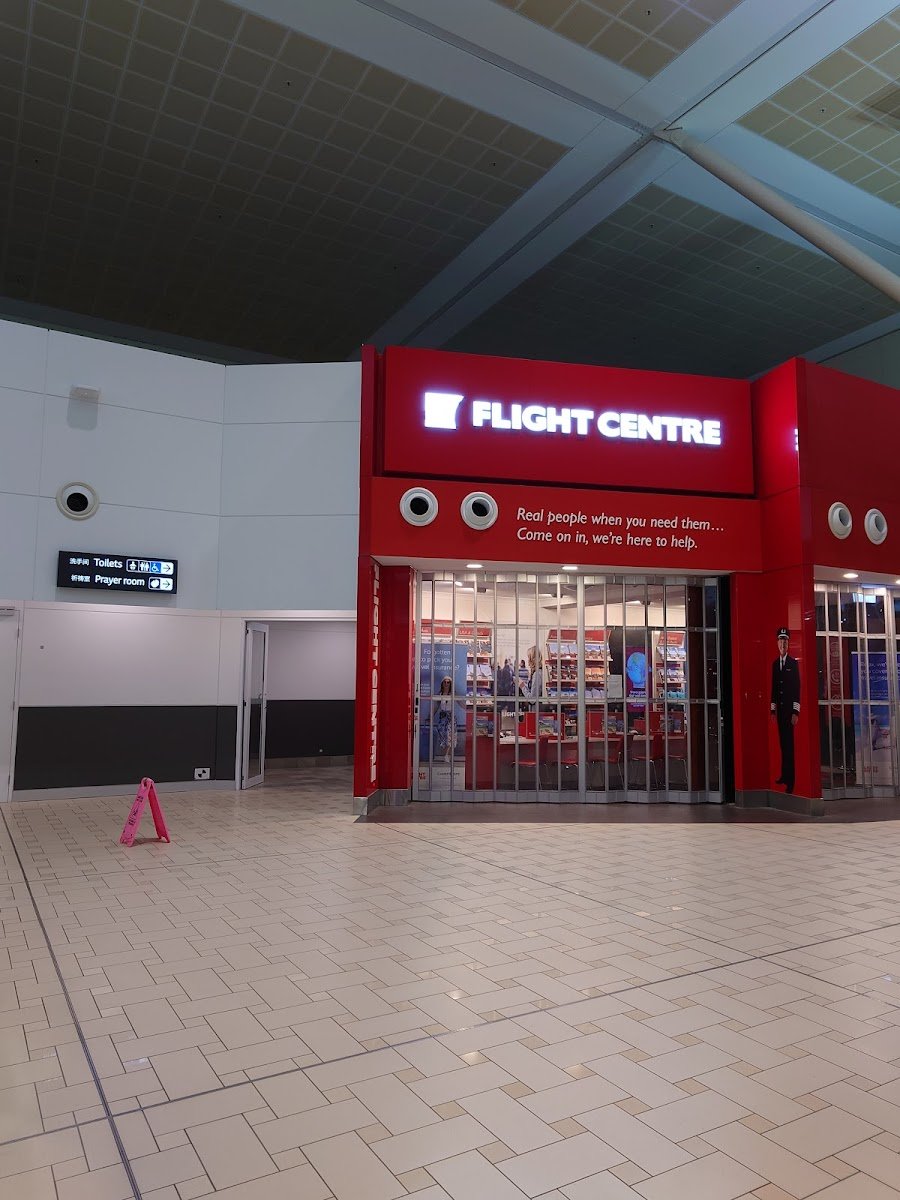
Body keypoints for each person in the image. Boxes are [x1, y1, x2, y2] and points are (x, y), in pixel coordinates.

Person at [770, 626, 800, 792]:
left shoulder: (793, 664)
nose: (783, 643)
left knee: (789, 746)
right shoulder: (775, 664)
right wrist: (772, 710)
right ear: (777, 643)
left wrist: (796, 711)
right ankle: (784, 775)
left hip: (789, 712)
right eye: (781, 640)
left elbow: (797, 689)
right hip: (780, 712)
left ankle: (791, 781)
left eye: (785, 641)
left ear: (789, 644)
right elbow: (773, 689)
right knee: (783, 744)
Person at [433, 675, 460, 761]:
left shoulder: (453, 694)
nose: (446, 684)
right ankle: (447, 754)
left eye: (448, 682)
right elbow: (436, 706)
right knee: (442, 736)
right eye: (445, 682)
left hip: (450, 717)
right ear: (442, 683)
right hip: (442, 717)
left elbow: (460, 702)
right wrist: (431, 715)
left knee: (449, 736)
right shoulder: (440, 694)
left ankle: (446, 755)